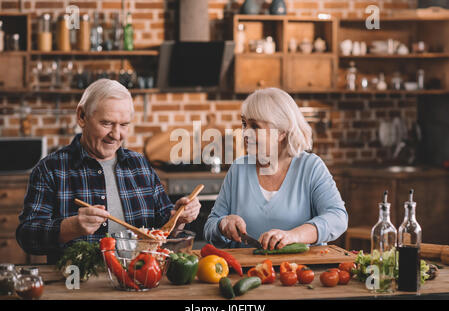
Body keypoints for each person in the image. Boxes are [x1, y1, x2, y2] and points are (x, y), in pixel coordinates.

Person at [16, 79, 201, 263]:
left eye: (124, 125)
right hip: (77, 284)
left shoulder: (140, 165)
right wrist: (69, 228)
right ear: (82, 117)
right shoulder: (50, 169)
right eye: (106, 123)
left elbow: (163, 228)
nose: (116, 134)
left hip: (140, 278)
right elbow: (27, 236)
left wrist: (179, 217)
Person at [204, 87, 347, 250]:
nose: (245, 133)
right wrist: (222, 224)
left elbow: (338, 218)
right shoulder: (239, 169)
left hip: (300, 272)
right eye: (244, 124)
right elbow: (210, 227)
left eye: (255, 126)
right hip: (245, 272)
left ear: (281, 133)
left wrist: (293, 235)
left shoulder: (310, 167)